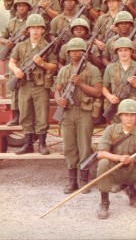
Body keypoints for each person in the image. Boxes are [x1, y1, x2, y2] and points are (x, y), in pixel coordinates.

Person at [96, 98, 136, 219]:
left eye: (132, 115)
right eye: (126, 115)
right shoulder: (111, 130)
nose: (129, 118)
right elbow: (100, 154)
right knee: (103, 163)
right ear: (120, 116)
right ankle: (104, 203)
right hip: (114, 169)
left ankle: (132, 192)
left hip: (132, 171)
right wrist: (119, 157)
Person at [54, 38, 102, 194]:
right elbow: (57, 89)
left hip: (84, 112)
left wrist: (80, 83)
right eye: (72, 51)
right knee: (69, 147)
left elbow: (98, 92)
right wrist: (58, 98)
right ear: (68, 53)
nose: (75, 54)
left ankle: (83, 179)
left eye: (78, 51)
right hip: (67, 112)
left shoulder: (92, 70)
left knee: (84, 146)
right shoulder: (64, 71)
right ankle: (72, 180)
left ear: (84, 53)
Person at [9, 14, 58, 155]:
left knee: (42, 114)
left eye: (38, 28)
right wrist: (16, 70)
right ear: (28, 29)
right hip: (24, 85)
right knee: (25, 114)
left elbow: (53, 66)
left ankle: (42, 144)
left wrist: (42, 63)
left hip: (40, 86)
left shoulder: (47, 46)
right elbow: (12, 61)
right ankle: (27, 144)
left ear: (43, 30)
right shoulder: (21, 46)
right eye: (33, 28)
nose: (35, 31)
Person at [0, 0, 32, 126]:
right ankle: (16, 116)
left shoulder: (31, 21)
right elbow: (2, 37)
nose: (21, 8)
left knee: (28, 88)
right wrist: (7, 42)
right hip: (15, 58)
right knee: (15, 89)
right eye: (19, 6)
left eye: (24, 5)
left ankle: (28, 116)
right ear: (16, 8)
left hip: (28, 57)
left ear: (28, 8)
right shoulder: (11, 23)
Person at [102, 37, 136, 123]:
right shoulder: (110, 67)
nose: (123, 53)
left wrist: (135, 84)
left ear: (131, 51)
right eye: (120, 51)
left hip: (133, 108)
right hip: (116, 106)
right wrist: (110, 97)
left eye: (126, 50)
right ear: (117, 52)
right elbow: (104, 87)